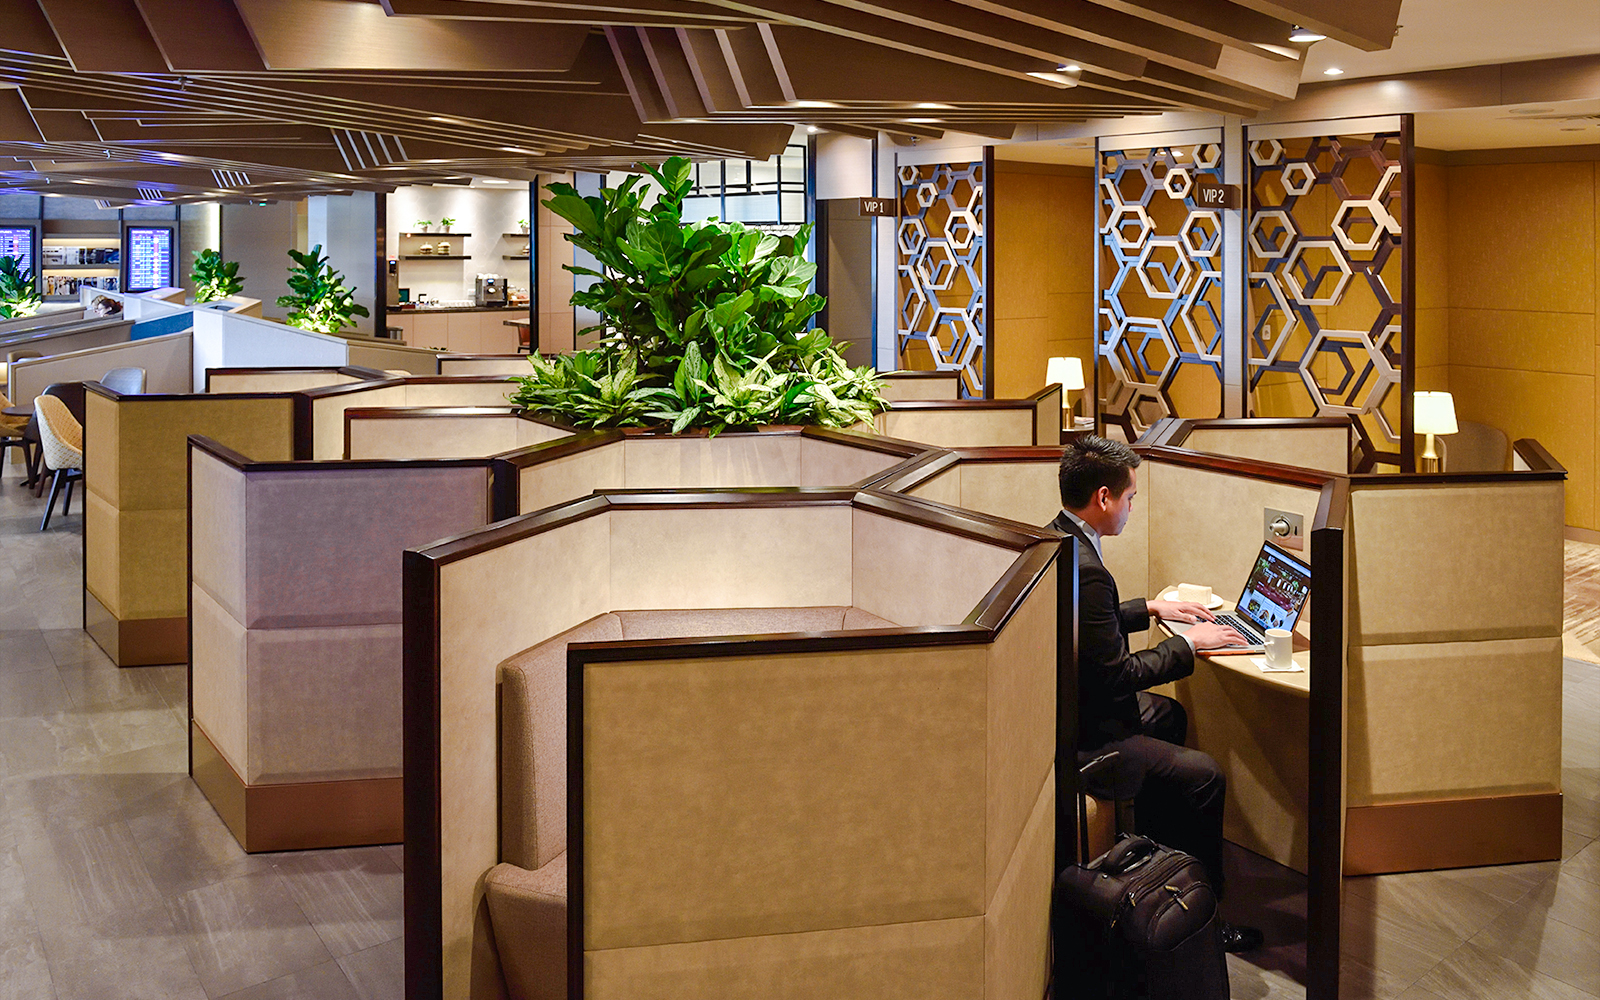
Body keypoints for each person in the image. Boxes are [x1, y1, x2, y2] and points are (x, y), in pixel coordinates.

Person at [1050, 434, 1264, 953]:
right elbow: (1116, 675)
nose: (1131, 509)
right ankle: (1205, 921)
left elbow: (1090, 626)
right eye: (1130, 499)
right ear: (1104, 498)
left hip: (1069, 706)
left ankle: (1156, 854)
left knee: (1167, 715)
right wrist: (1192, 644)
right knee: (1205, 776)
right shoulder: (1087, 569)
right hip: (1089, 735)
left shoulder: (1060, 537)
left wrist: (1149, 607)